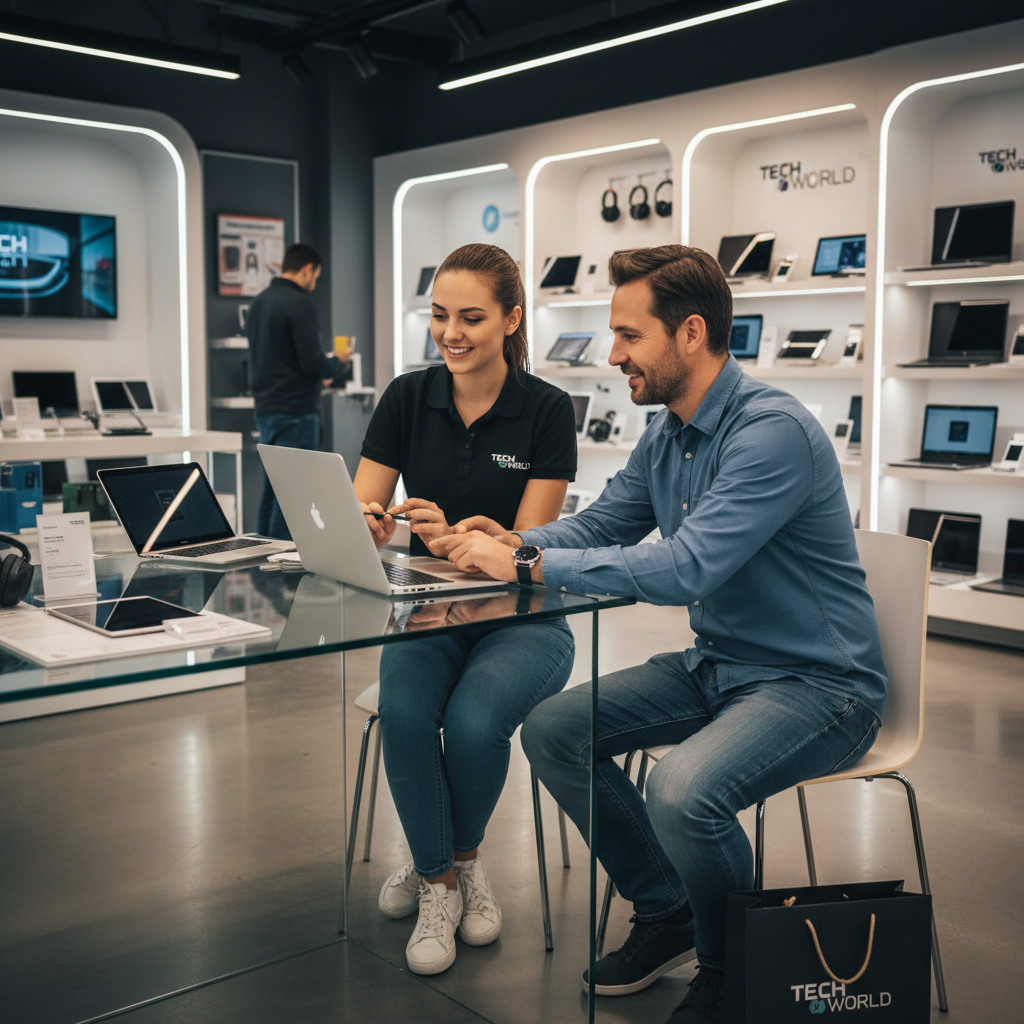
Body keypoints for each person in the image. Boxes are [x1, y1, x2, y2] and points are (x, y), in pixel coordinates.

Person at [427, 245, 888, 1023]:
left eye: (628, 336)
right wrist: (513, 542)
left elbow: (687, 568)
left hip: (821, 687)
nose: (612, 356)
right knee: (554, 729)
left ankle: (733, 964)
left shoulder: (769, 432)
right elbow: (609, 520)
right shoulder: (669, 430)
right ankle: (668, 907)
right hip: (721, 667)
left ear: (692, 334)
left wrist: (530, 569)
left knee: (679, 791)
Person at [353, 243, 578, 977]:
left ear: (512, 319)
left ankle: (444, 861)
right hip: (429, 605)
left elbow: (529, 547)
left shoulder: (545, 410)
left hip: (524, 616)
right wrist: (372, 521)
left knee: (478, 723)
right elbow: (364, 500)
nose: (450, 332)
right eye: (440, 315)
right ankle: (443, 882)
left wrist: (466, 538)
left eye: (472, 317)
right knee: (408, 712)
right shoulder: (405, 397)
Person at [248, 242, 347, 539]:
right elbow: (313, 363)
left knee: (272, 491)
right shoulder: (299, 303)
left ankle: (262, 568)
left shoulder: (259, 302)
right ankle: (283, 572)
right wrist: (337, 365)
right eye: (315, 276)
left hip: (266, 411)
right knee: (294, 497)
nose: (314, 284)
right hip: (297, 412)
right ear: (307, 270)